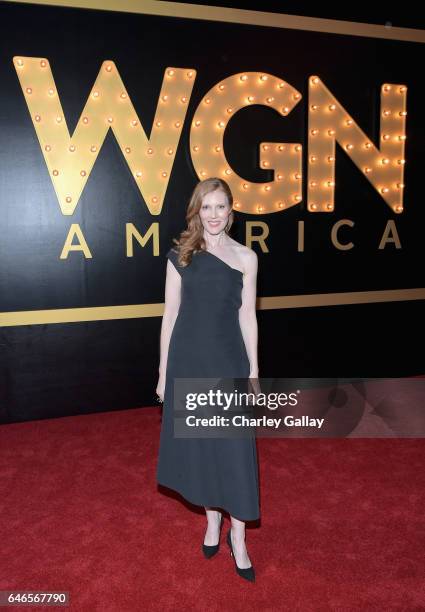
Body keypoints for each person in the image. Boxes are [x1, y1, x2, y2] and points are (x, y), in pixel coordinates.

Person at [156, 177, 260, 582]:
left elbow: (248, 316)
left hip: (228, 361)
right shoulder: (180, 255)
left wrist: (253, 370)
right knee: (204, 449)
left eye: (220, 207)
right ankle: (212, 522)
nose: (213, 215)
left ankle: (240, 538)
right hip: (189, 362)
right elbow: (170, 316)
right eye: (206, 207)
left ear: (231, 210)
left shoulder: (246, 258)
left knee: (233, 451)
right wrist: (164, 373)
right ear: (197, 211)